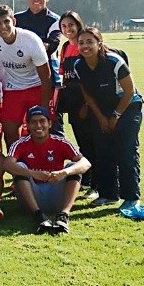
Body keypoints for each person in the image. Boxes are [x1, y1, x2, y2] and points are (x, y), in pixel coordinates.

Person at [74, 27, 143, 210]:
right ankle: (108, 194)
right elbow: (88, 95)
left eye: (90, 42)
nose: (85, 46)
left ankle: (131, 196)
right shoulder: (79, 65)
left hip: (128, 107)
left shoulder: (114, 61)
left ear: (99, 44)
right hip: (102, 109)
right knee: (103, 151)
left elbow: (130, 91)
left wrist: (115, 117)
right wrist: (101, 118)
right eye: (81, 42)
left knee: (126, 151)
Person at [4, 106, 90, 234]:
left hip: (56, 195)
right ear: (28, 126)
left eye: (42, 121)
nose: (38, 125)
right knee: (20, 168)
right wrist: (33, 174)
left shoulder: (60, 142)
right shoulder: (21, 143)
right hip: (32, 196)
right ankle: (38, 215)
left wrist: (64, 172)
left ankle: (64, 215)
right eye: (33, 122)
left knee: (73, 166)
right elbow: (7, 164)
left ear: (50, 124)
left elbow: (86, 163)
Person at [0, 4, 51, 148]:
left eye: (6, 21)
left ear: (14, 21)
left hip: (36, 87)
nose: (3, 26)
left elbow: (46, 77)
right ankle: (18, 161)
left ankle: (38, 159)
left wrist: (45, 108)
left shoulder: (31, 40)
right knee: (10, 132)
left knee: (39, 130)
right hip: (13, 88)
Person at [57, 12, 97, 200]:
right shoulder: (65, 47)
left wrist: (87, 104)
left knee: (92, 143)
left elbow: (91, 79)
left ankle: (97, 184)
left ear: (78, 24)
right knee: (82, 142)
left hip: (87, 102)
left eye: (71, 25)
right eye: (64, 26)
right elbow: (64, 76)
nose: (68, 29)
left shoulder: (85, 46)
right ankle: (86, 180)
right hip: (72, 102)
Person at [15, 0, 63, 136]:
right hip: (21, 81)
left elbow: (52, 45)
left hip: (48, 80)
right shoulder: (16, 19)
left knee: (52, 124)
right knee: (28, 126)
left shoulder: (55, 20)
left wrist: (23, 47)